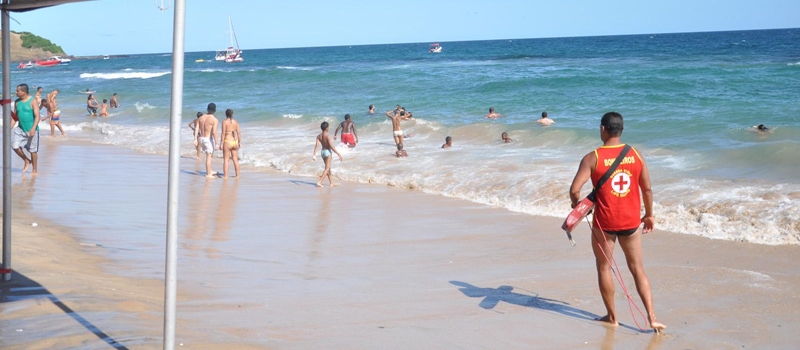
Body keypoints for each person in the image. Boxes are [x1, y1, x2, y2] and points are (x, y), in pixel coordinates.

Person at [568, 112, 666, 333]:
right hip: (631, 222)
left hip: (604, 224)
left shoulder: (592, 157)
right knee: (637, 268)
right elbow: (647, 188)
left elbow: (575, 190)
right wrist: (649, 215)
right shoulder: (636, 154)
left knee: (604, 268)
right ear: (621, 130)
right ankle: (652, 318)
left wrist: (580, 207)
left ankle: (612, 318)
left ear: (603, 129)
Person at [12, 84, 41, 175]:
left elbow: (37, 116)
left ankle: (35, 169)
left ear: (23, 92)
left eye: (17, 91)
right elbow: (14, 117)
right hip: (20, 129)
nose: (16, 92)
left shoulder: (33, 101)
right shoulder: (17, 102)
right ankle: (26, 160)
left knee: (33, 150)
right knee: (14, 146)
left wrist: (33, 128)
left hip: (31, 129)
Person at [311, 121, 343, 187]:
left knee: (328, 168)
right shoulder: (327, 136)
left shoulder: (318, 136)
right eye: (328, 127)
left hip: (322, 152)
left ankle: (331, 183)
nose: (329, 128)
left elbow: (317, 145)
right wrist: (338, 154)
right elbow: (332, 146)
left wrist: (314, 154)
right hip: (328, 152)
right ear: (326, 128)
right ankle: (320, 182)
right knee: (327, 169)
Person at [194, 103, 220, 178]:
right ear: (215, 110)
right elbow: (214, 132)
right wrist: (217, 143)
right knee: (209, 156)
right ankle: (208, 174)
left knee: (210, 155)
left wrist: (195, 139)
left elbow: (197, 128)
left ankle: (210, 170)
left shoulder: (201, 118)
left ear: (207, 109)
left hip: (201, 138)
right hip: (208, 139)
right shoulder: (214, 120)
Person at [220, 108, 242, 178]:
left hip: (227, 141)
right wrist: (239, 142)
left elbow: (223, 133)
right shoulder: (236, 122)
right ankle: (237, 175)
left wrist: (221, 143)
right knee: (235, 159)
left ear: (225, 114)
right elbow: (238, 133)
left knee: (226, 160)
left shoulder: (224, 122)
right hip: (235, 142)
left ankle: (225, 176)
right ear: (232, 114)